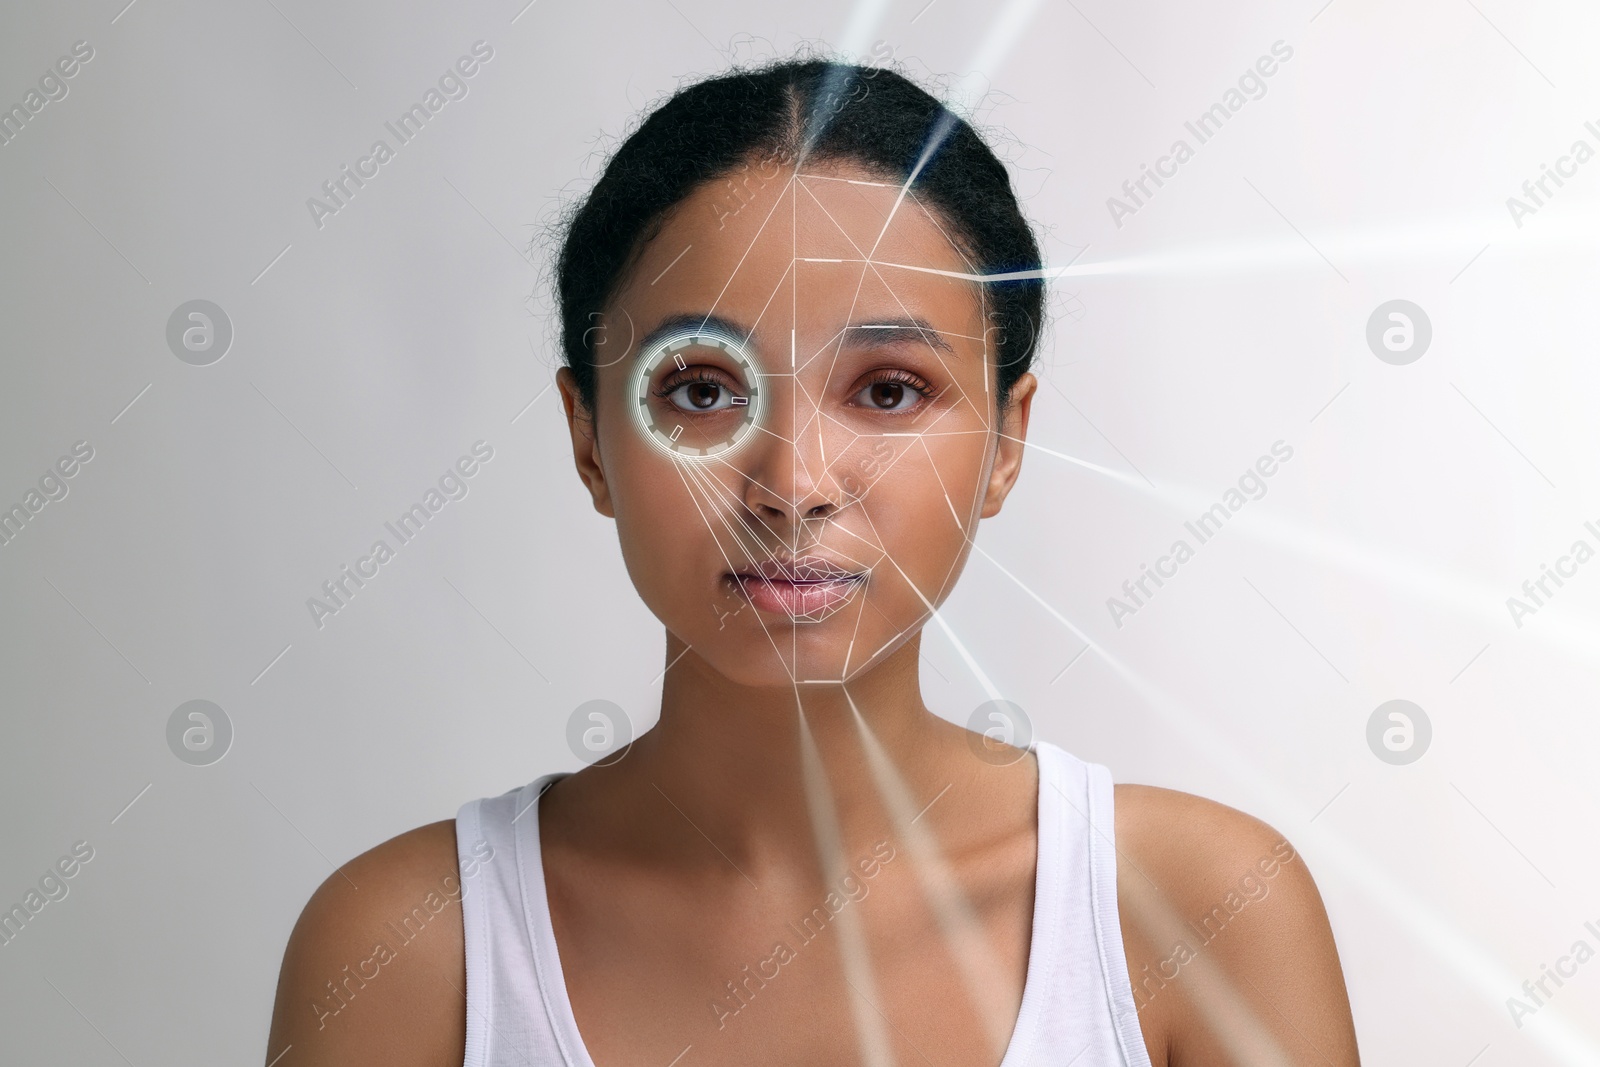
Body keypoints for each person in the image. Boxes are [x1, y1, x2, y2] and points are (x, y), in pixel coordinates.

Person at [266, 57, 1359, 1067]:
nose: (791, 481)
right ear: (589, 438)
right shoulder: (409, 952)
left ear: (1006, 442)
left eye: (888, 388)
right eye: (700, 389)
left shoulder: (1197, 915)